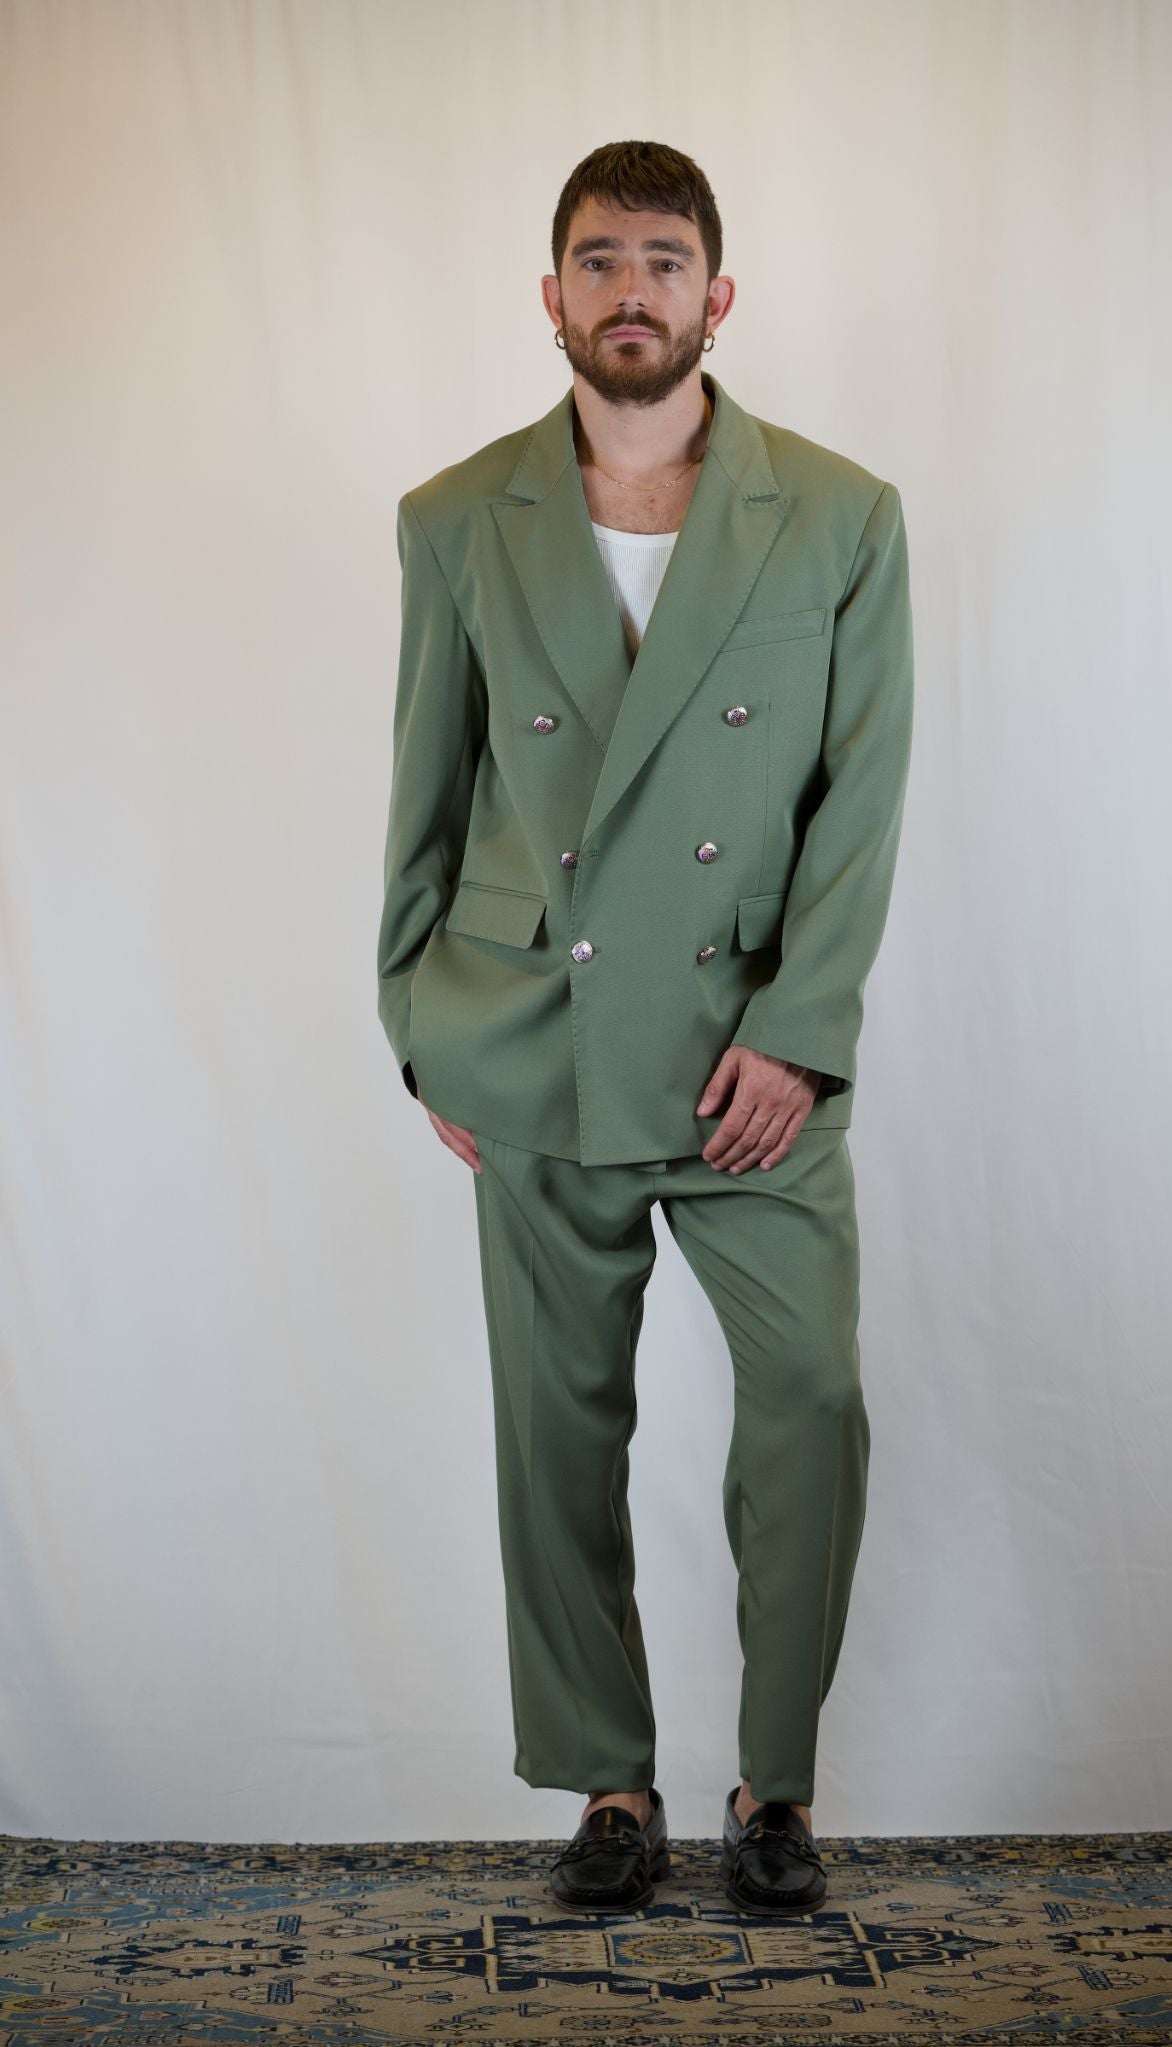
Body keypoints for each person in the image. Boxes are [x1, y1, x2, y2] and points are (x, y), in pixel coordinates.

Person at [377, 139, 915, 1916]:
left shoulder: (836, 512)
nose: (631, 289)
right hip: (535, 1038)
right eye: (600, 259)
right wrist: (422, 1024)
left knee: (810, 1396)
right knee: (554, 1429)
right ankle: (612, 1785)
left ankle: (777, 1783)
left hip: (754, 1059)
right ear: (551, 295)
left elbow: (859, 799)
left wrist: (801, 1032)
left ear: (716, 295)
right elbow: (425, 788)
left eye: (663, 260)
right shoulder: (455, 516)